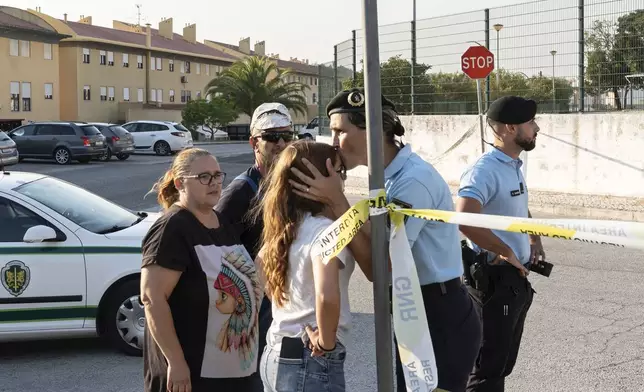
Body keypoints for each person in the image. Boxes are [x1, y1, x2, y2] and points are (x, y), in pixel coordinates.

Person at [288, 88, 482, 392]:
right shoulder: (387, 177)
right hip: (417, 309)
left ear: (376, 129)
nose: (334, 142)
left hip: (438, 314)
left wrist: (339, 204)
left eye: (340, 131)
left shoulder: (410, 181)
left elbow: (382, 269)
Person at [141, 147, 262, 392]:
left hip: (238, 373)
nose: (214, 183)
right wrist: (175, 362)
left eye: (218, 175)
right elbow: (152, 298)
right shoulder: (173, 228)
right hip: (193, 376)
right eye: (204, 177)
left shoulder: (222, 222)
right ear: (180, 183)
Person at [456, 95, 546, 392]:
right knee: (486, 369)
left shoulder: (512, 165)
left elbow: (519, 207)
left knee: (501, 365)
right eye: (530, 122)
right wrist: (506, 251)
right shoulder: (484, 170)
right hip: (494, 282)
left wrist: (534, 238)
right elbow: (465, 219)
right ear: (509, 128)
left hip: (514, 279)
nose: (536, 128)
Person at [254, 140, 355, 392]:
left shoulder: (284, 229)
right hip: (310, 357)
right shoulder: (325, 232)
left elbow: (260, 268)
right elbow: (326, 295)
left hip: (275, 352)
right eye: (339, 171)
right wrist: (326, 342)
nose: (342, 179)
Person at [214, 102, 297, 389]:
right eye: (272, 137)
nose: (282, 143)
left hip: (283, 301)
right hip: (254, 305)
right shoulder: (240, 191)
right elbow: (217, 253)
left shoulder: (288, 183)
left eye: (288, 135)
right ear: (254, 142)